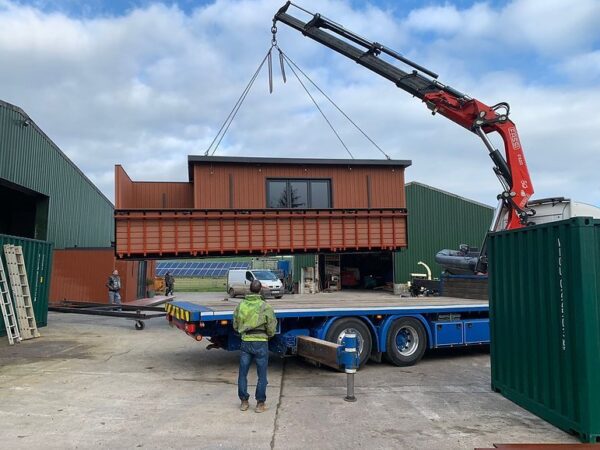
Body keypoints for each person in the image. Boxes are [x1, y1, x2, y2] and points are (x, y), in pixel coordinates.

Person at [233, 279, 277, 413]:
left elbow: (235, 324)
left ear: (250, 289)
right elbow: (271, 326)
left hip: (246, 341)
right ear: (260, 290)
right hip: (261, 342)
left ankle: (244, 402)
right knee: (262, 375)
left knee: (243, 373)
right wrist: (268, 335)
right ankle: (260, 403)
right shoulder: (265, 306)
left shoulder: (241, 305)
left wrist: (242, 331)